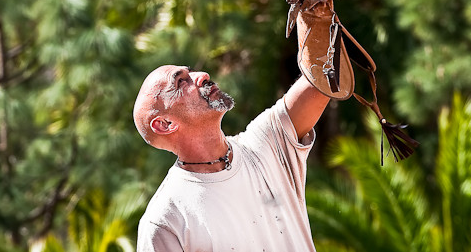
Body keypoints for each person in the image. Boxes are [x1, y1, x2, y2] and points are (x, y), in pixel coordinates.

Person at [132, 64, 330, 251]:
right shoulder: (165, 221)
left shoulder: (264, 143)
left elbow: (323, 77)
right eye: (181, 82)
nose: (202, 76)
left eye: (190, 72)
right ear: (165, 124)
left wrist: (322, 38)